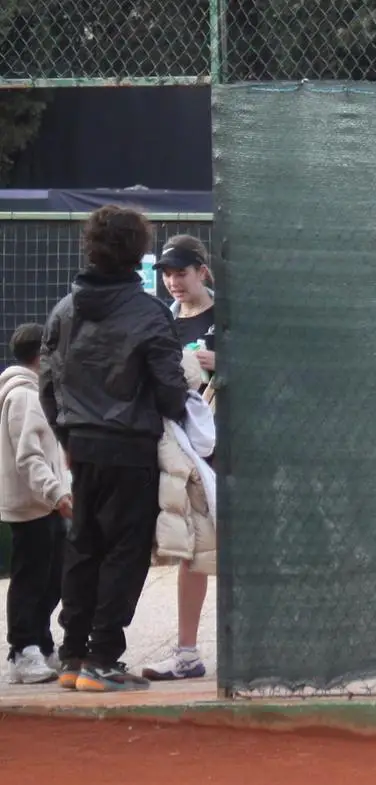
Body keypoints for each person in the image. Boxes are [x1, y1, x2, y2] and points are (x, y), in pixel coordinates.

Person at [40, 205, 188, 692]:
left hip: (82, 446)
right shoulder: (149, 313)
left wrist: (66, 436)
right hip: (131, 447)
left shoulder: (64, 310)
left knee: (84, 547)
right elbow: (170, 392)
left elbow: (48, 383)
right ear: (139, 250)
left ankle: (73, 656)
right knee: (125, 552)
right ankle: (102, 659)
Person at [141, 234, 217, 682]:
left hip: (232, 448)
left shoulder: (230, 316)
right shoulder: (163, 320)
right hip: (183, 451)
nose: (173, 281)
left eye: (181, 273)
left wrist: (225, 361)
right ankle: (187, 652)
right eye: (167, 274)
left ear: (202, 272)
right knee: (192, 547)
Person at [1, 322, 72, 684]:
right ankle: (22, 650)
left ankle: (40, 644)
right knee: (31, 580)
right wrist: (56, 493)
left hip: (43, 504)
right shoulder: (24, 397)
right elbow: (29, 456)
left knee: (51, 579)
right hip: (32, 507)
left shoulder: (36, 393)